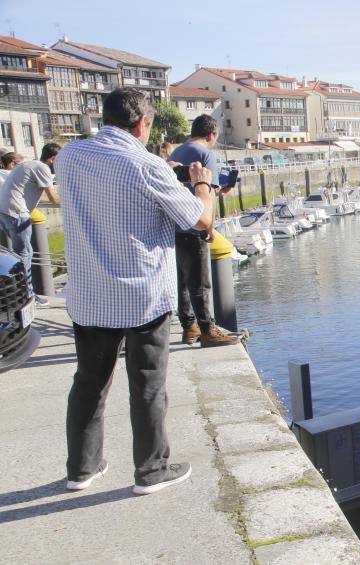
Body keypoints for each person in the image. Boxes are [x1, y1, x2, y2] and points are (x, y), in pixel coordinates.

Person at [55, 88, 216, 495]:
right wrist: (202, 186)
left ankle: (81, 470)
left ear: (104, 117)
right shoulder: (146, 166)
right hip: (141, 296)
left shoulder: (70, 157)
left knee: (89, 383)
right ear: (143, 123)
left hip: (89, 294)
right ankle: (150, 470)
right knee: (146, 384)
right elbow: (200, 222)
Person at [169, 115, 238, 347]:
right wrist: (210, 227)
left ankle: (189, 327)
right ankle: (208, 330)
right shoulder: (206, 155)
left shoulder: (175, 153)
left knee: (182, 281)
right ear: (211, 135)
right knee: (200, 283)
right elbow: (205, 193)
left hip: (174, 225)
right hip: (194, 223)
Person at [0, 144, 60, 305]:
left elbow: (43, 197)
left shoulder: (31, 164)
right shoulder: (42, 168)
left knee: (19, 254)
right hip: (17, 212)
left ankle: (18, 293)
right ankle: (27, 296)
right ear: (52, 158)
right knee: (24, 254)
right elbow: (54, 198)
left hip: (5, 211)